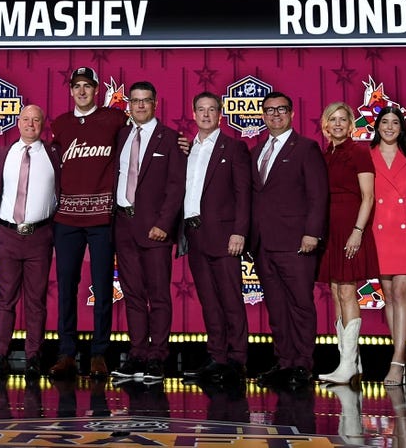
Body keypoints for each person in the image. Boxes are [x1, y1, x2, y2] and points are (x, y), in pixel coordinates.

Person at [47, 67, 129, 379]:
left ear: (96, 90)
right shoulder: (61, 124)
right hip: (66, 218)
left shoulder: (113, 119)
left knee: (103, 286)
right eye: (77, 86)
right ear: (71, 90)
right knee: (67, 285)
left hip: (101, 218)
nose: (82, 91)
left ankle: (99, 354)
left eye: (87, 86)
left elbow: (142, 137)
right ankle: (66, 352)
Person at [110, 81, 187, 382]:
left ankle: (158, 356)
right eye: (135, 101)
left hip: (155, 229)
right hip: (123, 225)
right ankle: (138, 353)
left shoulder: (170, 139)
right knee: (132, 294)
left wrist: (164, 224)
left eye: (146, 101)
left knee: (158, 295)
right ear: (128, 104)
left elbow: (175, 186)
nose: (140, 106)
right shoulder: (121, 136)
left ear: (156, 104)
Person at [250, 91, 328, 388]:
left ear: (292, 113)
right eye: (269, 110)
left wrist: (312, 233)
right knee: (277, 306)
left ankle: (303, 364)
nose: (275, 115)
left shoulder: (306, 148)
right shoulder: (256, 152)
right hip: (263, 244)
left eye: (281, 109)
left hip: (297, 243)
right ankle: (284, 362)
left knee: (300, 305)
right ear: (263, 116)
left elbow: (318, 195)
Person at [180, 91, 251, 386]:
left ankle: (237, 358)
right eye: (201, 109)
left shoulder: (234, 148)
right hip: (195, 234)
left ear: (220, 114)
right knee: (209, 301)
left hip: (225, 235)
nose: (206, 114)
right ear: (193, 114)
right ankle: (217, 356)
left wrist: (239, 231)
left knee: (231, 300)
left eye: (211, 109)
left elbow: (243, 193)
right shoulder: (186, 149)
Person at [0, 105, 60, 379]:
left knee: (35, 301)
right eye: (26, 119)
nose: (31, 124)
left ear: (44, 124)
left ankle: (33, 357)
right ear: (18, 123)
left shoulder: (54, 154)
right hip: (7, 234)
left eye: (36, 120)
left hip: (40, 236)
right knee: (5, 299)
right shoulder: (3, 154)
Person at [316, 101, 377, 386]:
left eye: (343, 119)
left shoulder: (360, 152)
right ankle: (349, 361)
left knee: (348, 292)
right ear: (325, 126)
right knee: (337, 291)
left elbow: (368, 197)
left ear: (351, 124)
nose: (337, 124)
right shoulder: (324, 155)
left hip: (350, 228)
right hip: (329, 229)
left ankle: (349, 364)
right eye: (332, 120)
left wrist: (357, 231)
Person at [369, 105, 406, 386]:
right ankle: (403, 358)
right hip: (380, 230)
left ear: (402, 128)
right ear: (377, 126)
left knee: (401, 293)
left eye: (395, 123)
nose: (389, 127)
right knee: (389, 295)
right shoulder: (367, 156)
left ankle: (398, 360)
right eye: (385, 122)